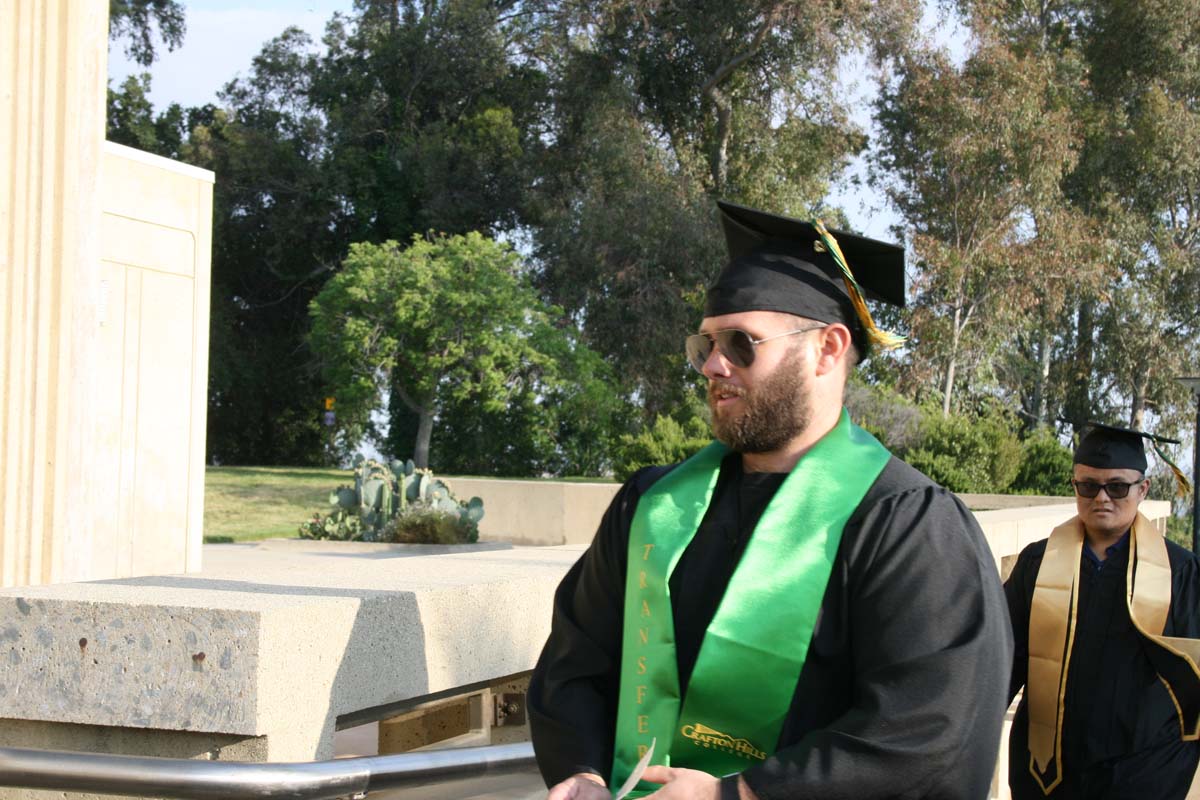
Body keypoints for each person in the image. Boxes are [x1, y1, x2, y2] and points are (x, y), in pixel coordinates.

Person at [528, 201, 1014, 800]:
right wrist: (581, 770)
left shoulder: (907, 525)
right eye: (704, 343)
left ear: (828, 349)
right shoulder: (652, 506)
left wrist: (739, 795)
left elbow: (928, 730)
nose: (712, 365)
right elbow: (577, 662)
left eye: (741, 343)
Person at [1004, 423, 1200, 799]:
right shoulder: (1037, 563)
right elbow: (1001, 656)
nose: (1102, 498)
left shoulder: (1182, 574)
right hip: (1047, 774)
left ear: (1143, 489)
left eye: (1118, 487)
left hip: (1142, 774)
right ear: (1075, 485)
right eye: (1088, 486)